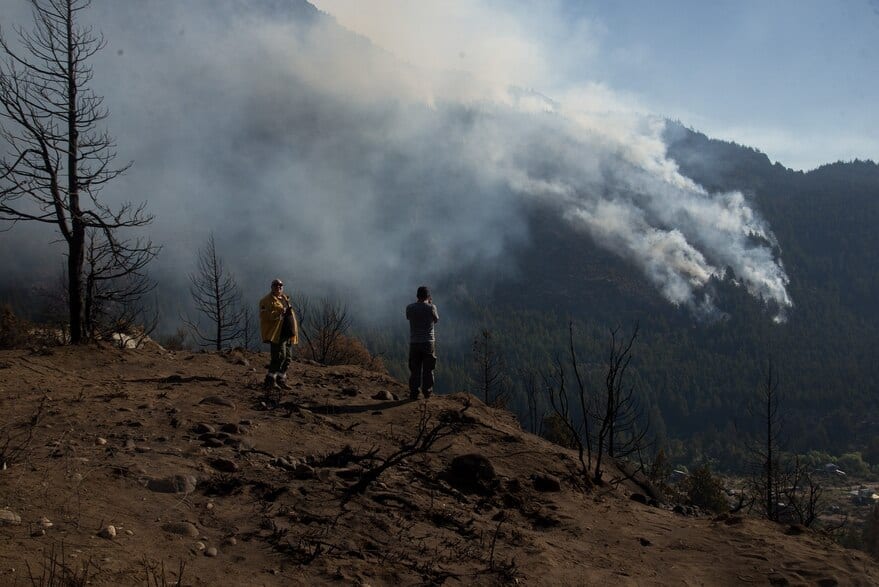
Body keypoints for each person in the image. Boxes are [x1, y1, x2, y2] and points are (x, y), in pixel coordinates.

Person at [259, 278, 299, 391]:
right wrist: (279, 312)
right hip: (277, 334)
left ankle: (281, 379)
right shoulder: (266, 300)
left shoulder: (285, 298)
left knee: (287, 358)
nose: (278, 287)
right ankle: (270, 380)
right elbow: (264, 316)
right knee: (278, 357)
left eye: (281, 285)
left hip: (288, 333)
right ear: (271, 287)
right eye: (276, 285)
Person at [406, 285, 439, 400]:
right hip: (428, 342)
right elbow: (436, 320)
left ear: (417, 296)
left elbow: (408, 317)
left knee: (415, 369)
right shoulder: (431, 307)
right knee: (428, 369)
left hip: (414, 342)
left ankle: (414, 393)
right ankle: (427, 392)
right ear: (428, 296)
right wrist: (430, 304)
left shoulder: (410, 307)